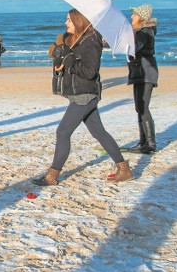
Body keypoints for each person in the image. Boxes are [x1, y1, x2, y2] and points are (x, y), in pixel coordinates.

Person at [33, 9, 133, 186]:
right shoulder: (77, 40)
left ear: (79, 21)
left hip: (85, 95)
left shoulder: (91, 42)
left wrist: (70, 60)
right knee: (99, 132)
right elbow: (65, 61)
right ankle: (123, 169)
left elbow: (89, 72)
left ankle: (52, 175)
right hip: (80, 94)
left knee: (63, 131)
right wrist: (61, 51)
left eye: (69, 20)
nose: (66, 23)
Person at [121, 4, 158, 154]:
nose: (131, 16)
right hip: (140, 73)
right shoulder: (139, 31)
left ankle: (150, 143)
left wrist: (126, 36)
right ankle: (143, 141)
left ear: (141, 17)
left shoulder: (144, 32)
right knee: (139, 108)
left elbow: (134, 47)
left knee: (143, 108)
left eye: (134, 14)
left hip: (146, 73)